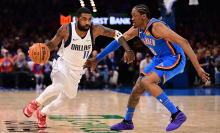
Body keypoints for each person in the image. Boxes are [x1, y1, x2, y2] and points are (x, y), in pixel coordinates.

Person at [84, 4, 209, 131]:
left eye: (134, 16)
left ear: (144, 16)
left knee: (147, 81)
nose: (132, 19)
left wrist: (198, 68)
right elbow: (118, 40)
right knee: (136, 89)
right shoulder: (137, 29)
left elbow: (184, 42)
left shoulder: (157, 27)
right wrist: (97, 59)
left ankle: (177, 114)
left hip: (174, 57)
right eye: (132, 16)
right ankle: (127, 122)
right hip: (159, 58)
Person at [23, 7, 135, 128]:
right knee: (58, 87)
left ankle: (42, 113)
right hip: (62, 63)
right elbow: (51, 44)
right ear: (76, 19)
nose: (87, 22)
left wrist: (128, 48)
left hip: (77, 70)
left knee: (63, 101)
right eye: (84, 19)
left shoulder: (95, 29)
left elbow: (116, 33)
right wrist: (40, 48)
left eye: (89, 19)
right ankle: (35, 103)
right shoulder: (66, 29)